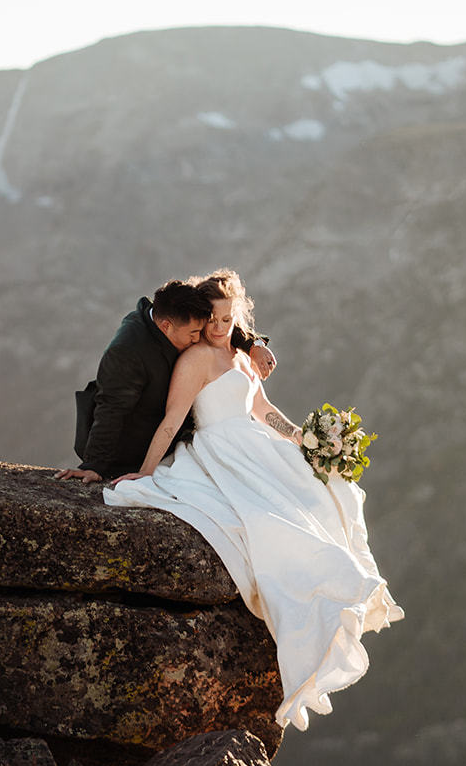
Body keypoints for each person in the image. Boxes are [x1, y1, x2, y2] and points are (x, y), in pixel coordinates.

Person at [104, 269, 403, 730]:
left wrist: (303, 439)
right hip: (221, 451)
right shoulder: (196, 359)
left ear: (237, 317)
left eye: (228, 318)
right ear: (202, 318)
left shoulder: (243, 357)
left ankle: (346, 586)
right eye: (214, 319)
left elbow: (263, 411)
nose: (221, 327)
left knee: (324, 496)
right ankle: (321, 599)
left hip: (258, 445)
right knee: (272, 525)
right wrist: (144, 475)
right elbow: (172, 420)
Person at [59, 277, 276, 484]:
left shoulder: (178, 310)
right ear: (166, 327)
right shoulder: (127, 352)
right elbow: (111, 409)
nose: (198, 338)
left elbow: (220, 321)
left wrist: (253, 345)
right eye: (193, 334)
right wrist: (94, 465)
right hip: (130, 443)